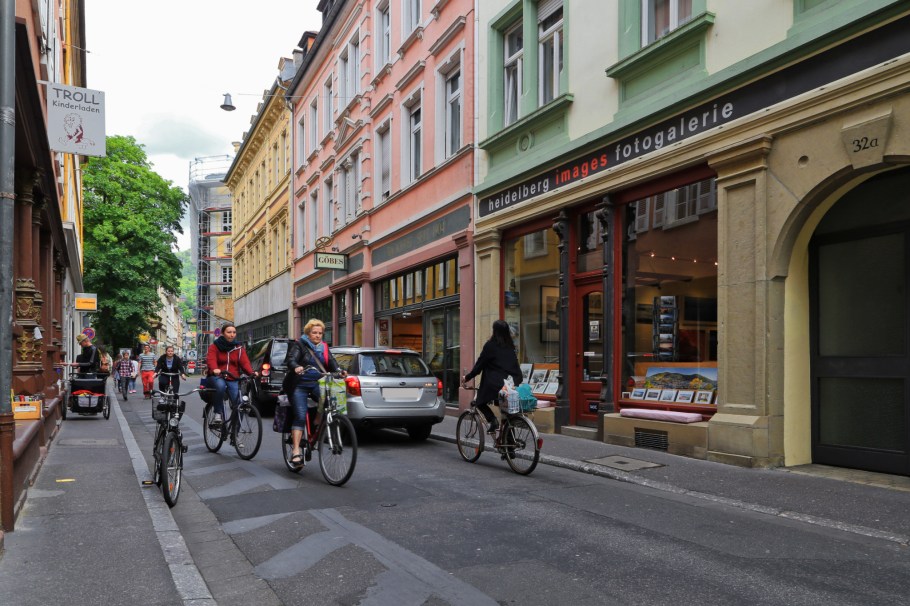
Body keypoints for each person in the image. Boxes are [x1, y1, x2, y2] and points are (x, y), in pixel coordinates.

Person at [282, 319, 344, 465]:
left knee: (331, 402)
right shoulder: (299, 345)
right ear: (308, 333)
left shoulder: (324, 347)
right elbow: (291, 359)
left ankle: (317, 420)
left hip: (317, 383)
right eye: (314, 333)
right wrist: (296, 366)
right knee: (300, 416)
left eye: (320, 333)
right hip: (299, 385)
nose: (317, 335)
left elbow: (332, 363)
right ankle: (296, 451)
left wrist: (340, 371)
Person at [462, 319, 523, 435]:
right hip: (511, 384)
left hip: (495, 385)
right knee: (507, 416)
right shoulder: (511, 347)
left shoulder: (490, 346)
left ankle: (493, 421)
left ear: (495, 331)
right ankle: (509, 450)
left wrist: (468, 377)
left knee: (479, 402)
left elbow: (479, 365)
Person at [205, 323, 256, 428]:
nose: (232, 335)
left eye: (234, 332)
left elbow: (245, 363)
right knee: (220, 386)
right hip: (217, 376)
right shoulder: (214, 346)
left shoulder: (238, 348)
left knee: (240, 404)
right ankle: (218, 413)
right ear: (223, 333)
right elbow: (211, 359)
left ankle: (235, 434)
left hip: (233, 377)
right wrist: (215, 369)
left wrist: (251, 372)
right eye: (229, 332)